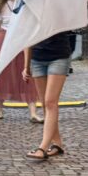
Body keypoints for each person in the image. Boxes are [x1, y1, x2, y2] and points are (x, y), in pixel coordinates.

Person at [0, 0, 40, 121]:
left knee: (26, 71)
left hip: (22, 38)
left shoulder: (27, 3)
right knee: (2, 71)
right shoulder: (1, 4)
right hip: (6, 37)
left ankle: (33, 112)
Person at [23, 31, 76, 161]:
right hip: (37, 58)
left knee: (50, 102)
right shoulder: (31, 11)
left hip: (58, 57)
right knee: (46, 104)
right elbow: (27, 37)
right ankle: (57, 143)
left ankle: (43, 147)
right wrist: (26, 66)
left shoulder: (60, 10)